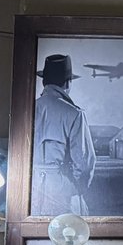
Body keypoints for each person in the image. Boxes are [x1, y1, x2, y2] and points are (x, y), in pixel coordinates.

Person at [31, 54, 96, 216]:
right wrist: (73, 189)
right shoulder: (74, 114)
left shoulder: (27, 109)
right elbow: (85, 163)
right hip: (63, 197)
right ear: (67, 83)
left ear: (43, 81)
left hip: (31, 196)